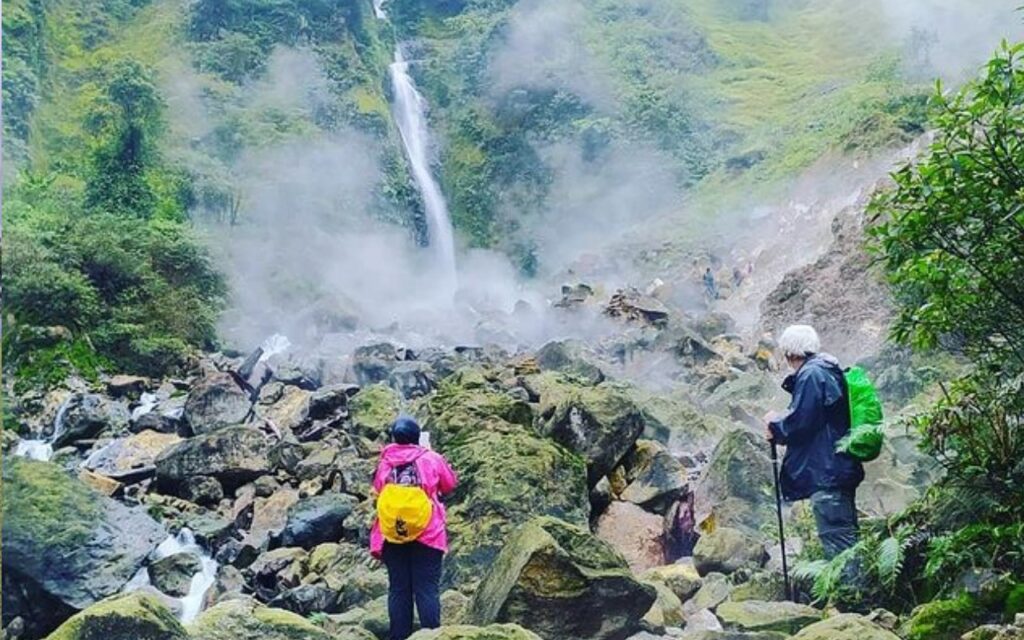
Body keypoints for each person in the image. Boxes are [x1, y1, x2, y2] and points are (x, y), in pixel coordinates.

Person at [763, 325, 864, 559]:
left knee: (839, 543)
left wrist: (775, 425)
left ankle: (850, 593)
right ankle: (856, 591)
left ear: (789, 352)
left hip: (827, 472)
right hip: (836, 468)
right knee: (846, 539)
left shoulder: (811, 374)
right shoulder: (826, 369)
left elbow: (801, 421)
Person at [371, 416, 458, 640]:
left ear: (393, 437)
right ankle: (431, 636)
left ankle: (399, 637)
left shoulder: (385, 462)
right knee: (426, 588)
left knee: (398, 589)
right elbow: (449, 484)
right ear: (418, 438)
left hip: (392, 533)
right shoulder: (431, 458)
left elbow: (379, 488)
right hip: (427, 533)